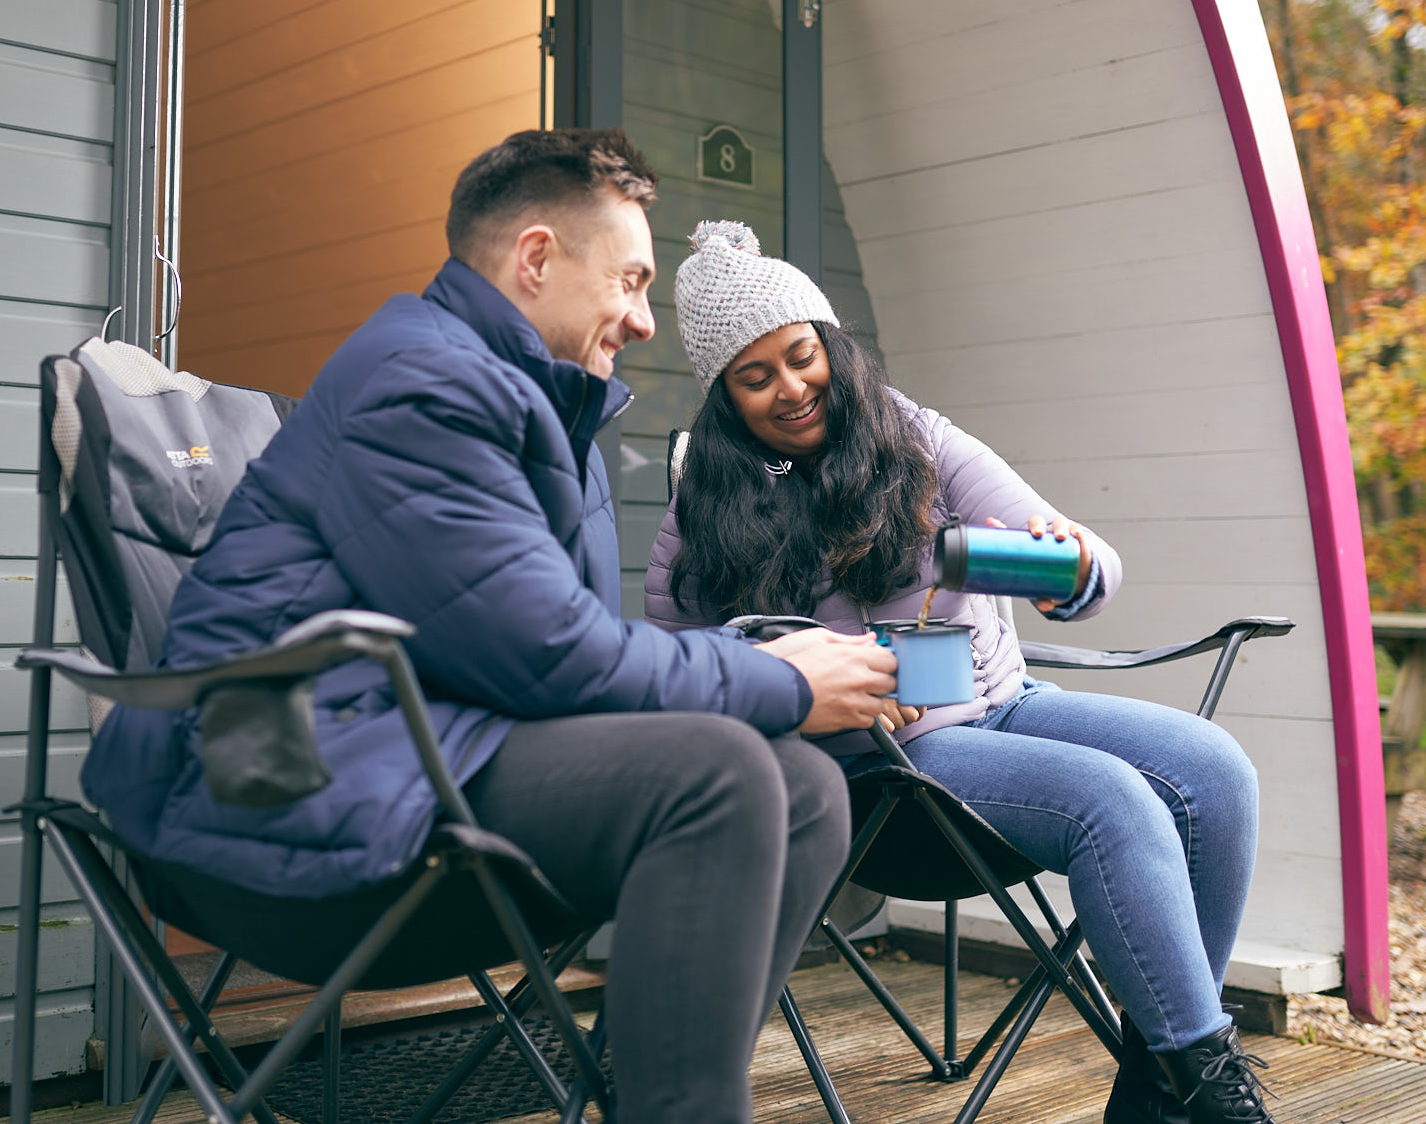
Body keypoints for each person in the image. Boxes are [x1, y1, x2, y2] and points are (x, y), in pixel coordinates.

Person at [80, 130, 901, 1124]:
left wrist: (765, 665)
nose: (645, 320)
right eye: (633, 281)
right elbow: (548, 655)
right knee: (718, 771)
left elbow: (548, 651)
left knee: (807, 786)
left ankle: (666, 1093)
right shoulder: (419, 384)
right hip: (270, 777)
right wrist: (779, 679)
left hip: (410, 743)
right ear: (538, 258)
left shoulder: (533, 405)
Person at [642, 219, 1280, 1124]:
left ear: (830, 344)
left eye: (801, 356)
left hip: (1000, 705)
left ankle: (1158, 1088)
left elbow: (1086, 564)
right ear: (724, 397)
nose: (791, 389)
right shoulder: (703, 505)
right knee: (1114, 799)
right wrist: (803, 693)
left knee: (1215, 768)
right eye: (756, 377)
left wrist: (1075, 565)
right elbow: (678, 668)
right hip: (874, 773)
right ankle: (1212, 1102)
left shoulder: (915, 437)